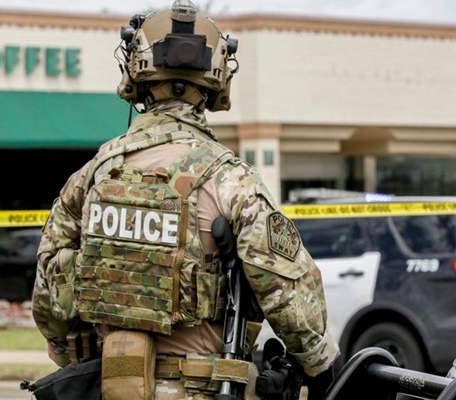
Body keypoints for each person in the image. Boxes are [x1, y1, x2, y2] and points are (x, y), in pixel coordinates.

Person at [32, 1, 339, 399]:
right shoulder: (232, 180)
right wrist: (320, 365)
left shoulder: (92, 176)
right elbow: (287, 292)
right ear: (217, 80)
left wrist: (72, 351)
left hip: (111, 387)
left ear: (133, 73)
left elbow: (49, 295)